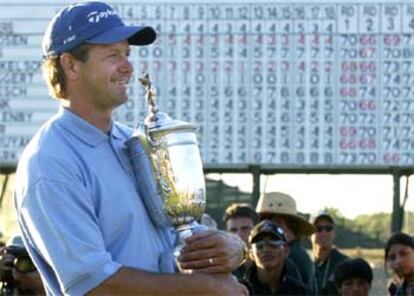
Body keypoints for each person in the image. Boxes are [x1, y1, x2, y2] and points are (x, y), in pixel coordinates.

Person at [13, 1, 248, 295]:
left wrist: (234, 247)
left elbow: (180, 232)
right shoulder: (49, 162)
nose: (128, 67)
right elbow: (96, 286)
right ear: (70, 65)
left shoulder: (134, 143)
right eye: (112, 55)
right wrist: (201, 288)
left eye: (127, 53)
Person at [256, 191, 315, 290]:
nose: (266, 230)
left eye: (274, 224)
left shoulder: (293, 255)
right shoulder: (297, 252)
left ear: (291, 225)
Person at [240, 219, 311, 295]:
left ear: (286, 250)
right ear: (251, 254)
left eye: (273, 244)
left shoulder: (301, 292)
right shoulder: (239, 291)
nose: (266, 249)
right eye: (259, 246)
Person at [310, 210, 348, 295]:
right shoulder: (306, 263)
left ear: (334, 233)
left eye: (328, 229)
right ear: (310, 234)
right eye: (318, 229)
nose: (324, 233)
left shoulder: (344, 264)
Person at [223, 203, 258, 279]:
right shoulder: (222, 268)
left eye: (245, 229)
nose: (239, 235)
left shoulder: (269, 262)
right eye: (233, 230)